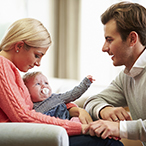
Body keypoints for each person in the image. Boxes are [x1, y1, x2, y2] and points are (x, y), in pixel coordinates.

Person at [0, 18, 123, 146]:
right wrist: (80, 128)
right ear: (19, 46)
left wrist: (73, 108)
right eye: (37, 55)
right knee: (107, 143)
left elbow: (40, 103)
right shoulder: (2, 66)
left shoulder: (10, 70)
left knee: (106, 140)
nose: (38, 63)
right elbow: (23, 117)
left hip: (29, 135)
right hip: (21, 138)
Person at [84, 1, 146, 146]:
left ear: (132, 39)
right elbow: (92, 101)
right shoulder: (127, 75)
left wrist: (119, 128)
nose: (104, 48)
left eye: (109, 40)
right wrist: (104, 109)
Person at [23, 71, 94, 122]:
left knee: (78, 120)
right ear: (27, 90)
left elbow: (73, 94)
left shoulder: (56, 97)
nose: (44, 86)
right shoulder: (29, 107)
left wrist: (85, 83)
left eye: (46, 83)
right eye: (38, 84)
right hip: (50, 129)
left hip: (69, 122)